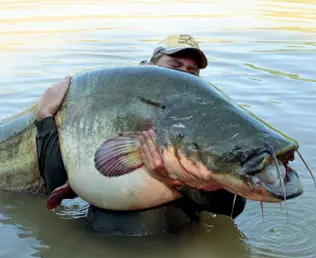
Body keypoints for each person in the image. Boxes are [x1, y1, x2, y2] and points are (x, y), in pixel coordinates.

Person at [35, 34, 246, 235]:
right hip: (96, 241)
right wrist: (44, 118)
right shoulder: (108, 108)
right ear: (150, 66)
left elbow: (233, 206)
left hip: (174, 244)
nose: (183, 74)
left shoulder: (205, 125)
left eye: (192, 72)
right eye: (175, 66)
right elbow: (56, 179)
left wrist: (176, 180)